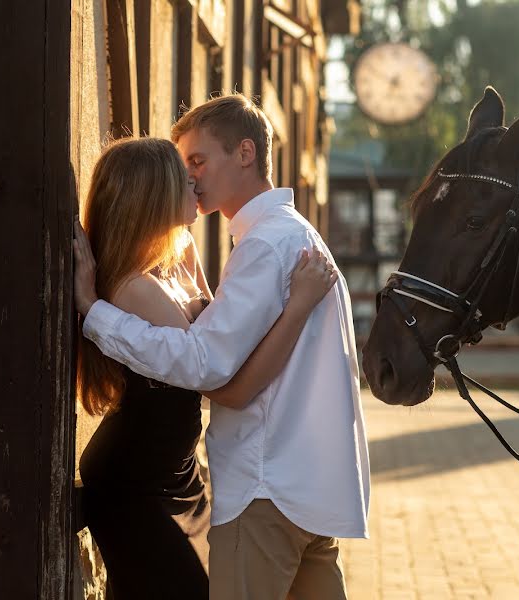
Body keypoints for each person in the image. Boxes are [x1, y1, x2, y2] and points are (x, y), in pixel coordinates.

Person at [74, 94, 370, 600]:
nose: (192, 179)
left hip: (268, 486)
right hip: (293, 487)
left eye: (198, 161)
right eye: (184, 168)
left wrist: (93, 310)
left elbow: (212, 368)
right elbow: (216, 366)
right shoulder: (288, 238)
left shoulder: (263, 247)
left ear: (246, 153)